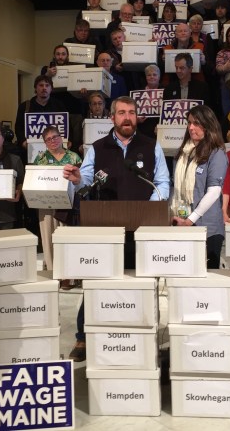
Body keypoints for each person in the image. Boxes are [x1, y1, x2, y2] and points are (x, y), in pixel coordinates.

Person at [63, 96, 170, 361]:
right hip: (104, 226)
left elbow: (163, 183)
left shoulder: (151, 146)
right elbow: (85, 178)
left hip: (141, 228)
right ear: (112, 117)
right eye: (121, 112)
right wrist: (77, 180)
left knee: (141, 282)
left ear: (137, 117)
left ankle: (140, 332)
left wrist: (149, 211)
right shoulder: (98, 147)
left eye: (131, 113)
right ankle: (83, 338)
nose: (127, 117)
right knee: (96, 281)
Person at [171, 105, 228, 269]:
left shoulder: (216, 153)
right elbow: (175, 188)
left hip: (207, 228)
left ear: (208, 125)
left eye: (196, 123)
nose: (191, 127)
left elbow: (214, 192)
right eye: (189, 123)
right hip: (181, 222)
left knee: (207, 279)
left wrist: (191, 219)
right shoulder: (183, 152)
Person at [33, 126, 82, 276]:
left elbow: (80, 180)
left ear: (61, 138)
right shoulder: (39, 159)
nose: (52, 141)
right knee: (48, 238)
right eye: (48, 139)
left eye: (55, 137)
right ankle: (53, 273)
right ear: (45, 143)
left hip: (68, 203)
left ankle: (70, 275)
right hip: (45, 204)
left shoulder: (74, 157)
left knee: (68, 238)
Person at [15, 75, 68, 150]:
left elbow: (68, 126)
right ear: (35, 88)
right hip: (31, 150)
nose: (44, 88)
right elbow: (18, 127)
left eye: (47, 85)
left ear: (51, 88)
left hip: (56, 149)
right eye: (41, 85)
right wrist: (23, 142)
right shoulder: (25, 106)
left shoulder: (59, 105)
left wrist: (69, 141)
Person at [136, 64, 163, 140]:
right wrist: (136, 120)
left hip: (159, 131)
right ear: (145, 77)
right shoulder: (138, 92)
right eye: (149, 75)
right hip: (142, 131)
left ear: (159, 76)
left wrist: (161, 125)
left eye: (155, 75)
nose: (152, 77)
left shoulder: (166, 91)